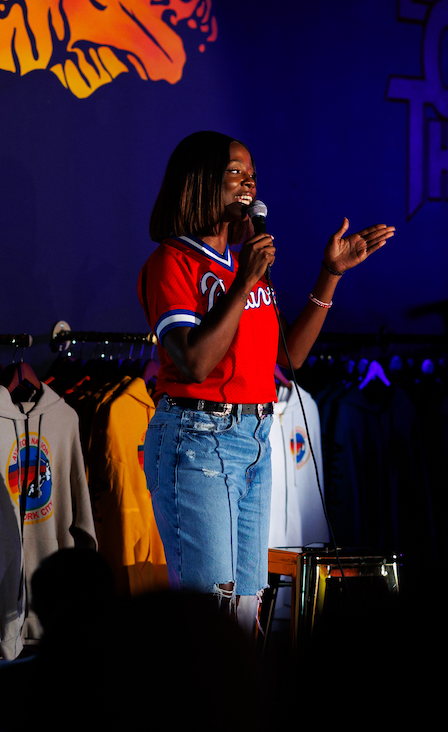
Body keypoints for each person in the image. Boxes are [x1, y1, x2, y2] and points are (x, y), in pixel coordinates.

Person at [137, 131, 394, 622]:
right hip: (198, 439)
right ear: (200, 182)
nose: (249, 183)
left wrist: (330, 273)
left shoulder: (241, 263)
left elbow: (287, 360)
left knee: (247, 609)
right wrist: (244, 283)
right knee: (211, 617)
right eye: (236, 172)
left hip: (255, 437)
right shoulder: (172, 262)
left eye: (252, 175)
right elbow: (193, 362)